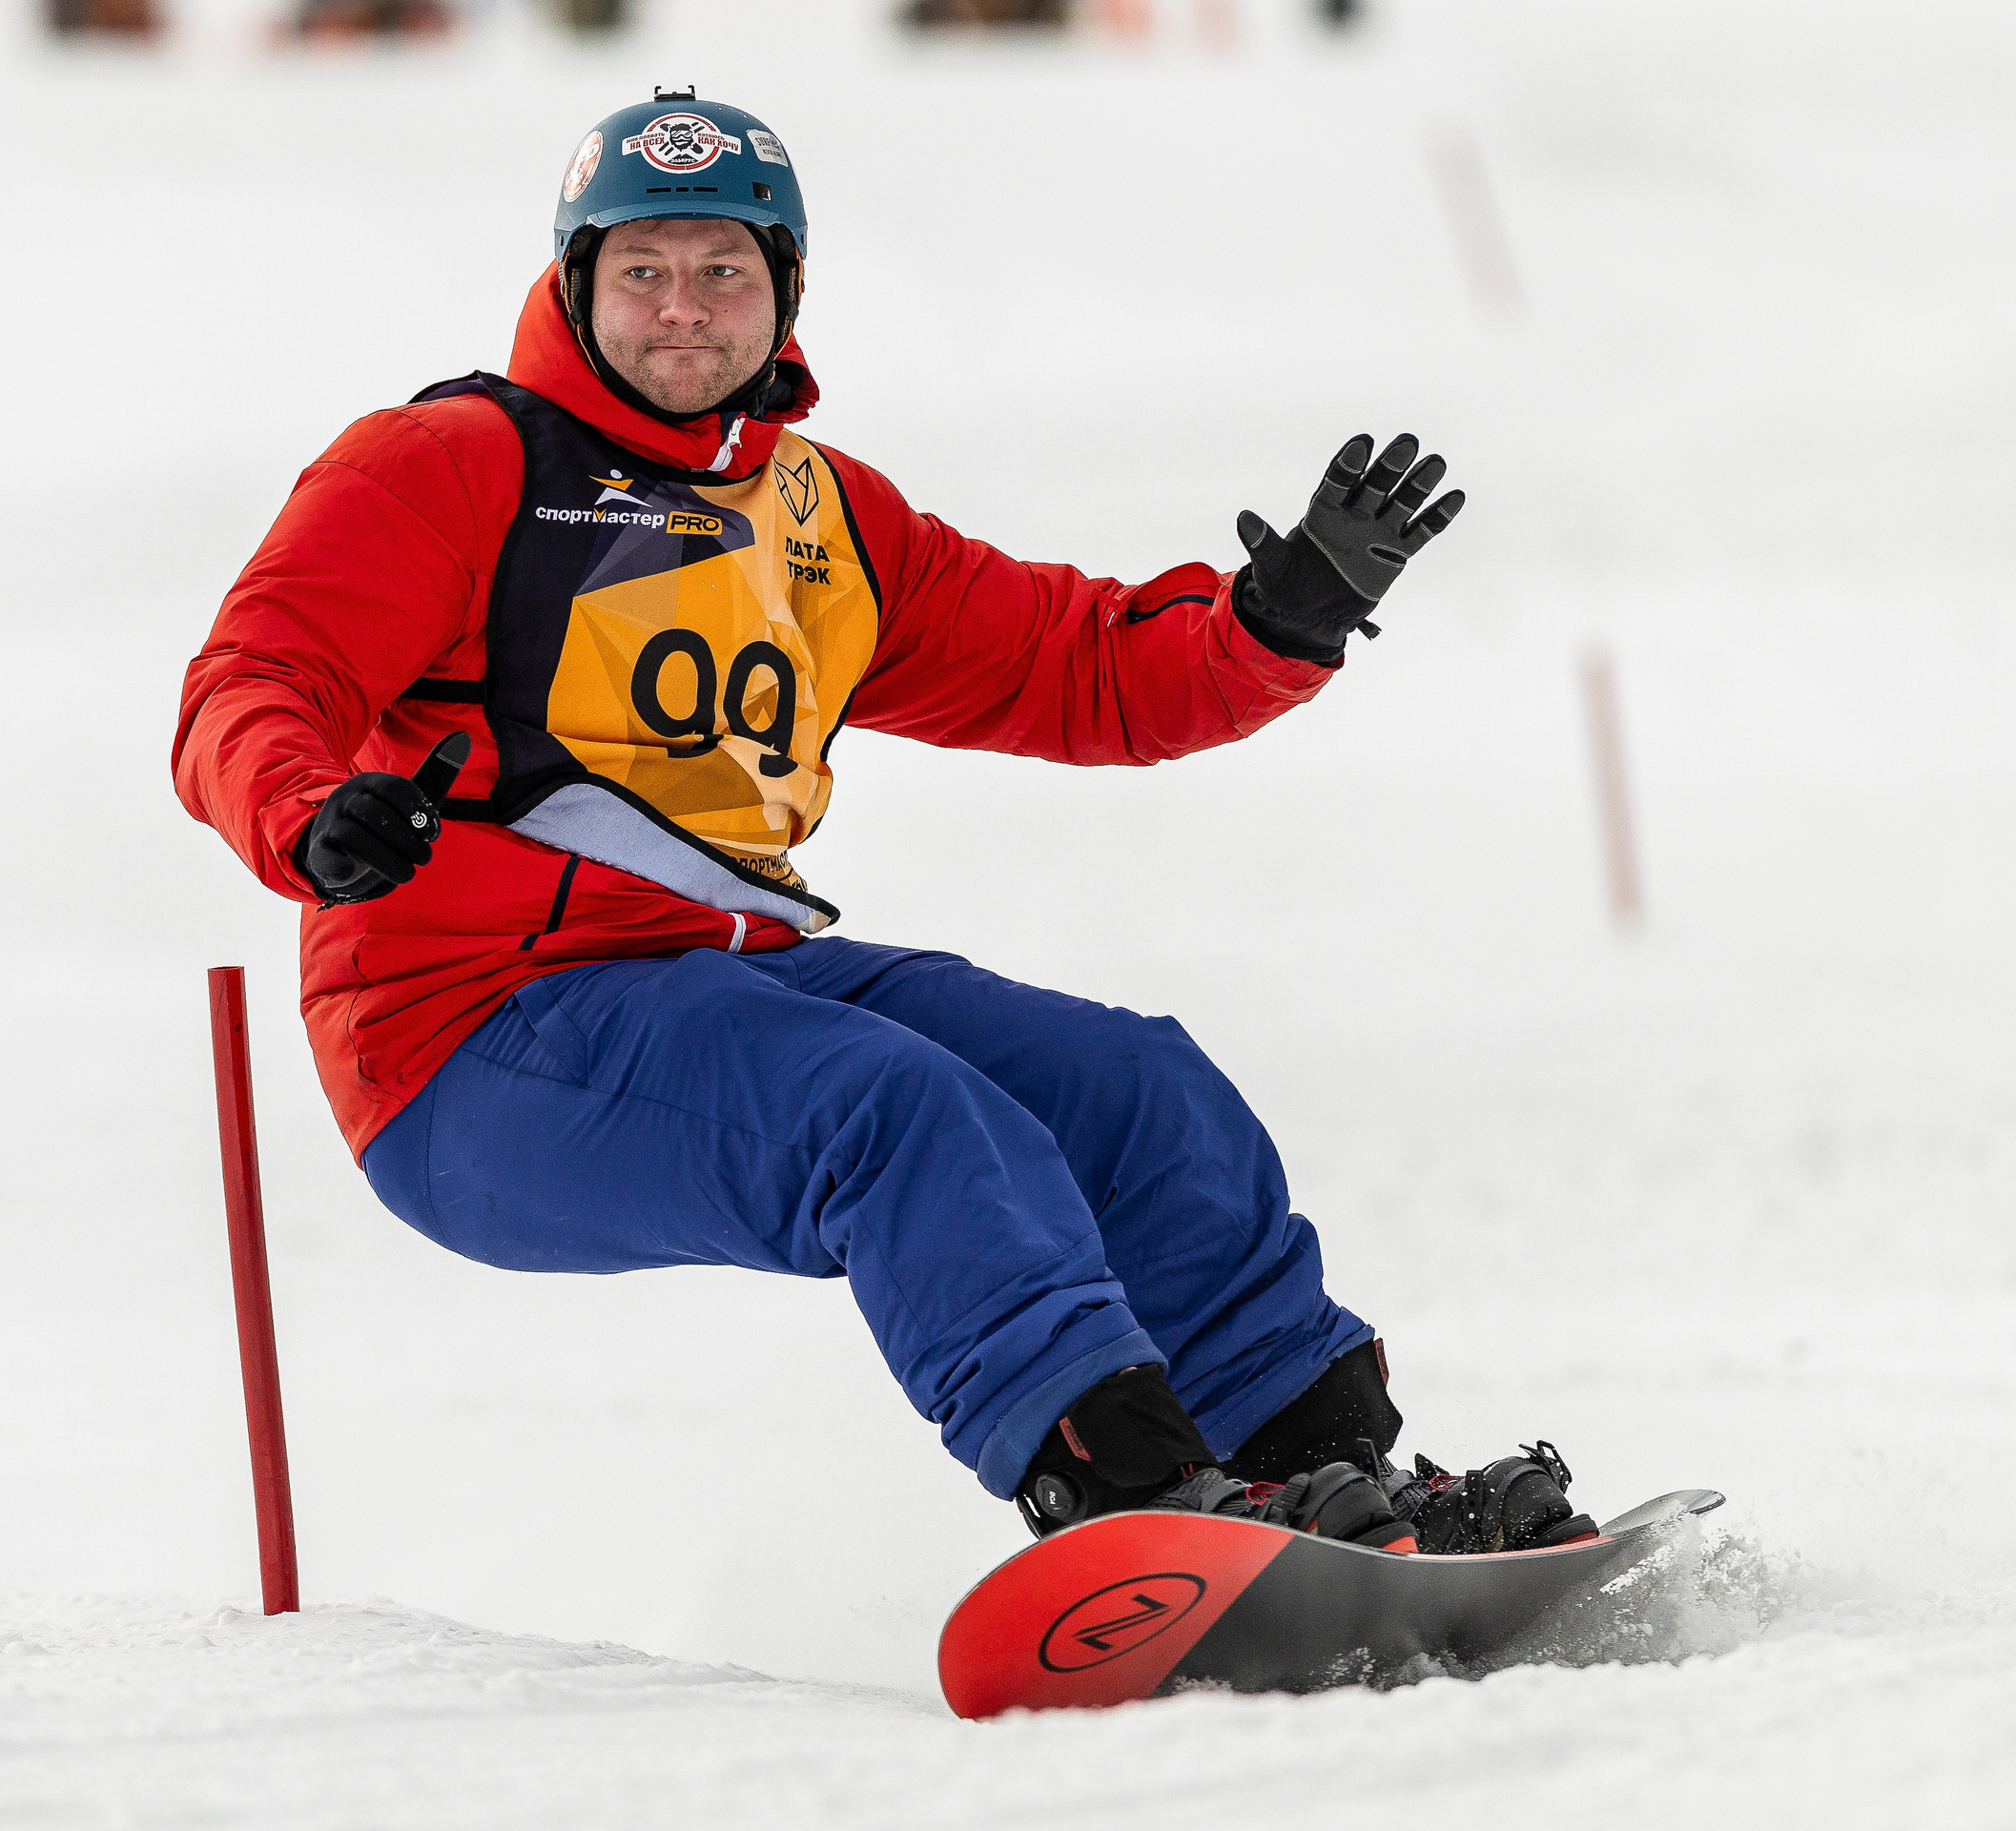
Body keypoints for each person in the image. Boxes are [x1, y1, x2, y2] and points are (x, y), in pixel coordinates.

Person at [174, 89, 1591, 1556]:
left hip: (715, 976)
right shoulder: (450, 464)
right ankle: (1124, 1498)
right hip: (465, 1032)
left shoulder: (820, 519)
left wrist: (1274, 623)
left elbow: (1073, 665)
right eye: (641, 271)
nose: (681, 310)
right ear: (576, 283)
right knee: (892, 1109)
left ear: (785, 290)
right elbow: (253, 680)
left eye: (723, 270)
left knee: (1128, 1088)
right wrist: (309, 813)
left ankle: (1326, 1484)